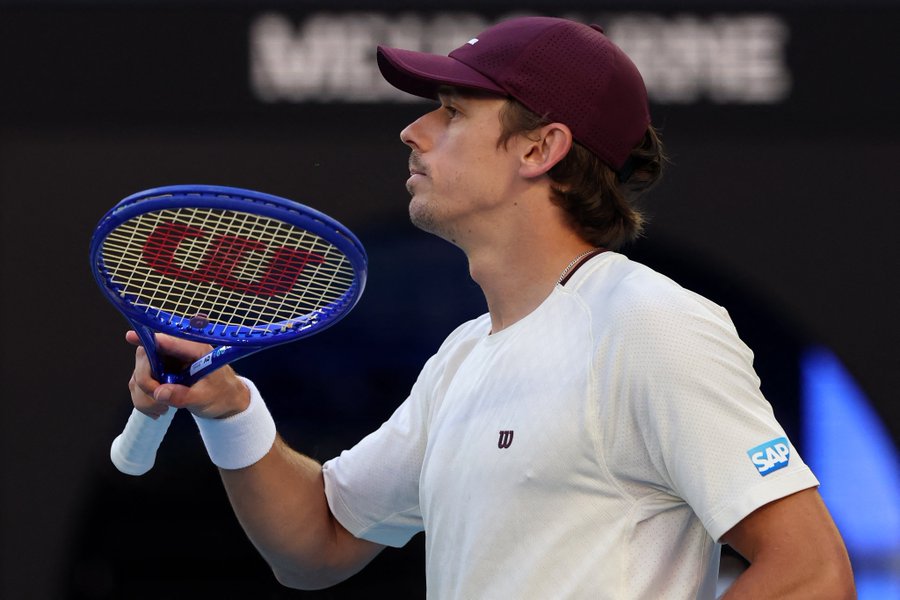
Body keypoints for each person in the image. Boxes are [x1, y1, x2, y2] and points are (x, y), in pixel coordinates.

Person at [127, 16, 855, 598]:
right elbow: (317, 543)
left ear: (540, 148)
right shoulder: (463, 359)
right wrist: (228, 409)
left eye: (449, 111)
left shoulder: (651, 325)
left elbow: (812, 574)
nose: (413, 131)